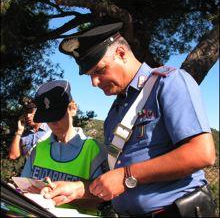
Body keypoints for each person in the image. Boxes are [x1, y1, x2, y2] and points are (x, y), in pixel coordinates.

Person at [41, 22, 216, 217]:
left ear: (122, 54)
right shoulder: (115, 113)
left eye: (99, 71)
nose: (94, 83)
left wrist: (126, 175)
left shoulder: (169, 83)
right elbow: (113, 180)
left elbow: (202, 153)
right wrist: (79, 189)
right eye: (90, 76)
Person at [21, 80, 107, 215]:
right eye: (48, 117)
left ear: (73, 108)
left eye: (58, 115)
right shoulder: (38, 149)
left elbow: (102, 199)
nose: (53, 123)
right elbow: (24, 188)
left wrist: (59, 195)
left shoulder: (94, 150)